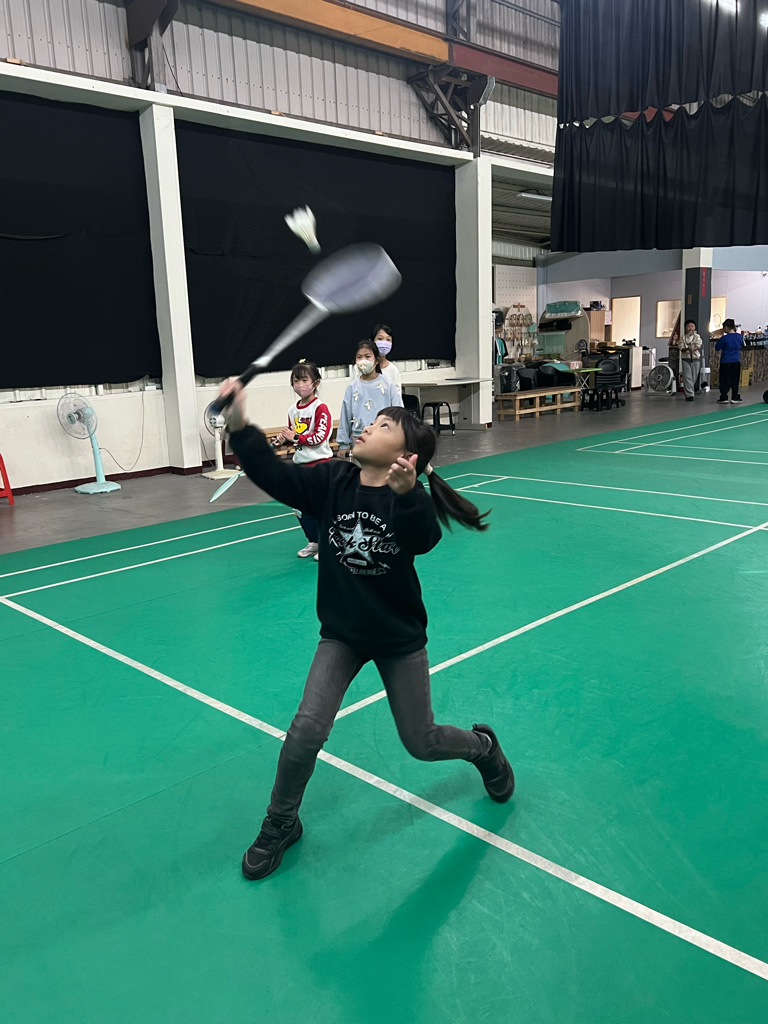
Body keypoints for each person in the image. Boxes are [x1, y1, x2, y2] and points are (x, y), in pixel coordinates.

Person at [218, 380, 515, 881]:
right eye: (370, 421)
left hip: (398, 639)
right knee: (306, 729)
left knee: (421, 741)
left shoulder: (408, 499)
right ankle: (282, 820)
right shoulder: (333, 480)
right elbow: (273, 474)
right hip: (342, 634)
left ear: (405, 455)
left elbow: (424, 539)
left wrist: (408, 495)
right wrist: (239, 424)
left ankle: (483, 748)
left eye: (381, 426)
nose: (365, 427)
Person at [272, 360, 334, 560]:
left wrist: (296, 437)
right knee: (299, 508)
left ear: (315, 383)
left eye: (304, 380)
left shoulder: (320, 408)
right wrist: (283, 440)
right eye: (296, 381)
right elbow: (294, 435)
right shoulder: (293, 410)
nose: (299, 385)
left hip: (320, 465)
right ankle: (314, 541)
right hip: (300, 466)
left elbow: (320, 437)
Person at [337, 340, 402, 455]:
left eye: (367, 356)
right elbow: (345, 416)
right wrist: (343, 444)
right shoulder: (352, 387)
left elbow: (399, 411)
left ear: (376, 360)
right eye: (359, 357)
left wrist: (400, 437)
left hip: (384, 438)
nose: (363, 361)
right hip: (359, 438)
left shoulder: (387, 384)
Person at [354, 324, 402, 396]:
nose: (384, 343)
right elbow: (353, 393)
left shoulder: (393, 371)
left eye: (388, 340)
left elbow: (397, 397)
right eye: (380, 339)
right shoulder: (360, 366)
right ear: (372, 341)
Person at [715, 319, 744, 404]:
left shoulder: (724, 338)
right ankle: (735, 396)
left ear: (726, 327)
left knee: (724, 379)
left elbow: (717, 348)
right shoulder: (739, 337)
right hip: (736, 361)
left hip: (725, 361)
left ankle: (724, 396)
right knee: (735, 379)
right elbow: (741, 345)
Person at [678, 320, 703, 402]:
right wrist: (687, 349)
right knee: (687, 377)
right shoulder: (683, 337)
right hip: (686, 359)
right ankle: (690, 395)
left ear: (694, 327)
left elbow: (698, 345)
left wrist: (693, 349)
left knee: (694, 377)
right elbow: (681, 347)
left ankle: (689, 391)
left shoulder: (697, 336)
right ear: (685, 328)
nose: (690, 328)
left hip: (695, 358)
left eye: (692, 326)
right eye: (688, 326)